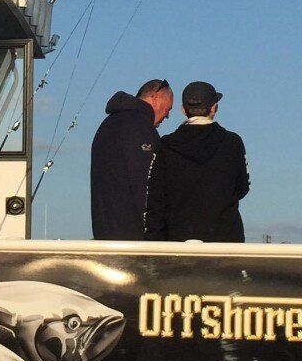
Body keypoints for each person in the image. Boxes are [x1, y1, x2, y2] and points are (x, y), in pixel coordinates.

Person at [145, 81, 250, 243]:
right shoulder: (232, 143)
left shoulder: (165, 146)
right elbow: (242, 188)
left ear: (183, 110)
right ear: (214, 108)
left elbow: (155, 200)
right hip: (225, 243)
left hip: (177, 244)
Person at [89, 79, 172, 239]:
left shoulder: (108, 124)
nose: (167, 115)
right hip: (133, 236)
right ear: (156, 97)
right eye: (168, 108)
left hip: (104, 230)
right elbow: (145, 184)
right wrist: (154, 233)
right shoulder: (140, 128)